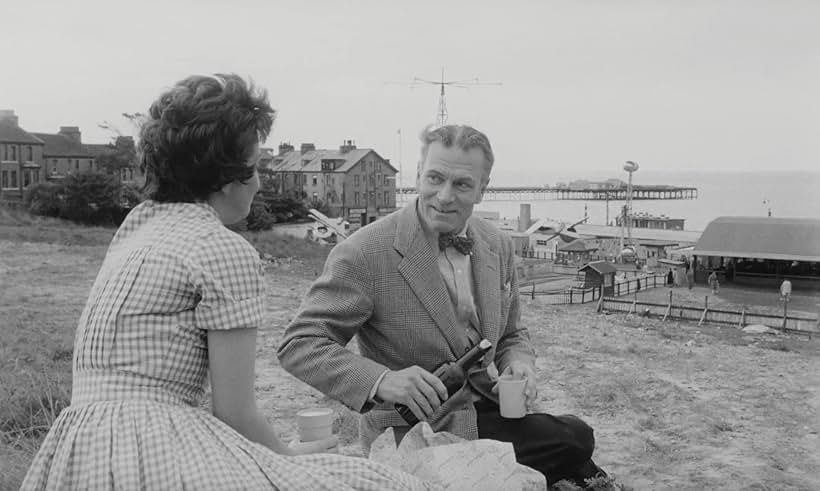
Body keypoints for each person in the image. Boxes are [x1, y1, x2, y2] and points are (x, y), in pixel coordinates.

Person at [22, 74, 434, 491]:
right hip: (152, 448)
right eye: (251, 169)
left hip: (78, 449)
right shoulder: (222, 248)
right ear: (223, 176)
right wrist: (287, 462)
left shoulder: (136, 228)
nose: (257, 183)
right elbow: (234, 412)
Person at [278, 124, 605, 487]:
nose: (444, 196)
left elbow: (512, 334)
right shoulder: (363, 252)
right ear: (418, 175)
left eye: (462, 184)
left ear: (483, 189)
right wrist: (384, 381)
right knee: (574, 442)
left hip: (489, 414)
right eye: (434, 178)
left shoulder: (497, 244)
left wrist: (519, 364)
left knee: (577, 439)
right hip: (414, 434)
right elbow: (300, 345)